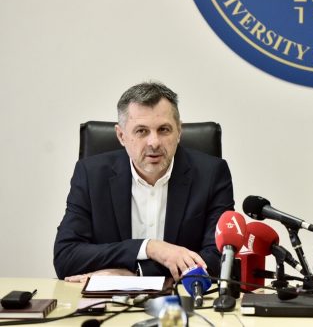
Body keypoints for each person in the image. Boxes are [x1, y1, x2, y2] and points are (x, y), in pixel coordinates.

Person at [54, 82, 234, 282]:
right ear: (121, 136)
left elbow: (219, 260)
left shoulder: (212, 174)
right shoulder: (91, 175)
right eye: (141, 131)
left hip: (183, 297)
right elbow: (66, 257)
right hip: (108, 300)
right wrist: (149, 247)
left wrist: (137, 273)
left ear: (179, 131)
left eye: (164, 129)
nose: (154, 142)